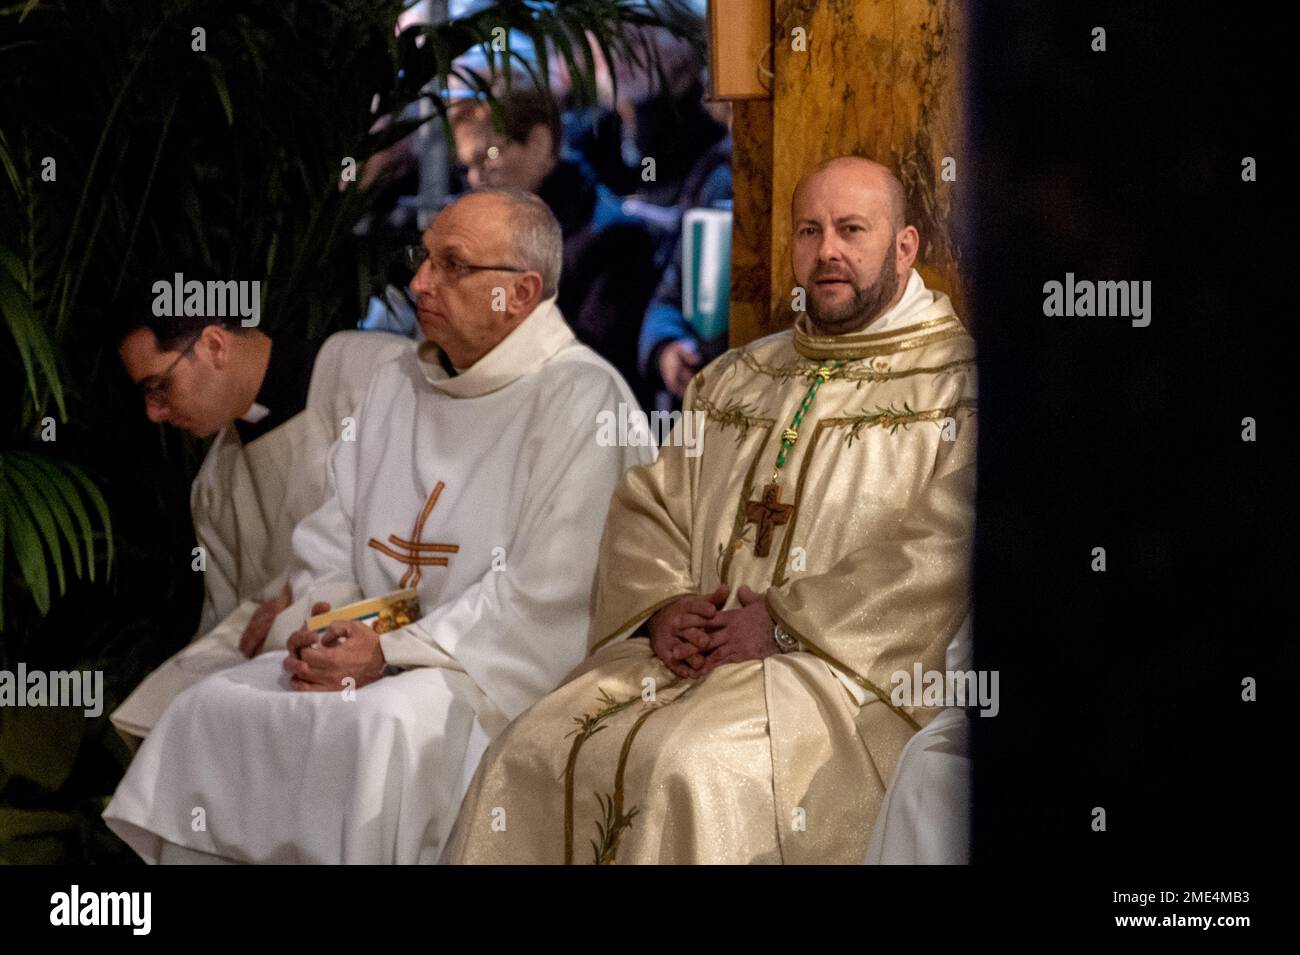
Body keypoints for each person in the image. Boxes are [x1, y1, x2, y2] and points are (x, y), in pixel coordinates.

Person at [445, 156, 977, 864]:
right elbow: (651, 505)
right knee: (526, 748)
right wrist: (663, 606)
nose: (829, 252)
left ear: (905, 246)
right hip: (685, 658)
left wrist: (786, 621)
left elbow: (945, 548)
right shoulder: (734, 378)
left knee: (685, 770)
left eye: (853, 230)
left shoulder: (958, 387)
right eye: (809, 231)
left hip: (842, 677)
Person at [103, 190, 654, 863]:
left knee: (382, 727)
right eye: (425, 258)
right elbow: (333, 534)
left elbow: (546, 597)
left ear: (521, 290)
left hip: (487, 678)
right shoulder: (399, 382)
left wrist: (391, 652)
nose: (419, 280)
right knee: (210, 705)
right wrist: (332, 623)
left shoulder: (584, 399)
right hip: (375, 652)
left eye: (452, 265)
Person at [110, 281, 412, 740]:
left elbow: (425, 542)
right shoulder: (213, 486)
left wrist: (299, 607)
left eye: (159, 386)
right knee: (166, 710)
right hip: (277, 672)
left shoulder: (376, 372)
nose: (153, 412)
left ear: (213, 344)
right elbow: (227, 624)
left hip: (386, 653)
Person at [450, 90, 661, 409]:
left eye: (489, 154)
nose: (476, 178)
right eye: (467, 166)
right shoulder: (494, 233)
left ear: (538, 142)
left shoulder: (611, 236)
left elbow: (592, 362)